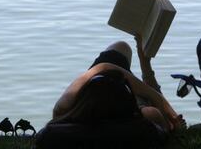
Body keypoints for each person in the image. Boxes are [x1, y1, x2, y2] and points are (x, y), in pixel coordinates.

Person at [49, 35, 184, 137]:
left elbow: (102, 68)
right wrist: (145, 65)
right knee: (121, 50)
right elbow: (171, 126)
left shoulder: (64, 112)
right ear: (129, 102)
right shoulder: (146, 118)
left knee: (121, 47)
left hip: (97, 106)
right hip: (118, 106)